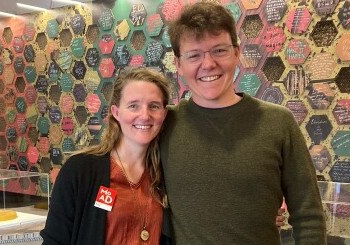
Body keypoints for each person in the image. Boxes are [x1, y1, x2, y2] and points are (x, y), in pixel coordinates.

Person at [159, 2, 326, 244]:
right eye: (194, 55)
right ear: (178, 64)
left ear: (237, 53)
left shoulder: (278, 123)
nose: (208, 64)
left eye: (219, 50)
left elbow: (308, 216)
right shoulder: (164, 124)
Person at [40, 67, 172, 244]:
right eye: (133, 106)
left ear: (164, 114)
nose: (144, 115)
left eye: (154, 106)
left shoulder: (165, 176)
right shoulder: (80, 170)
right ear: (116, 113)